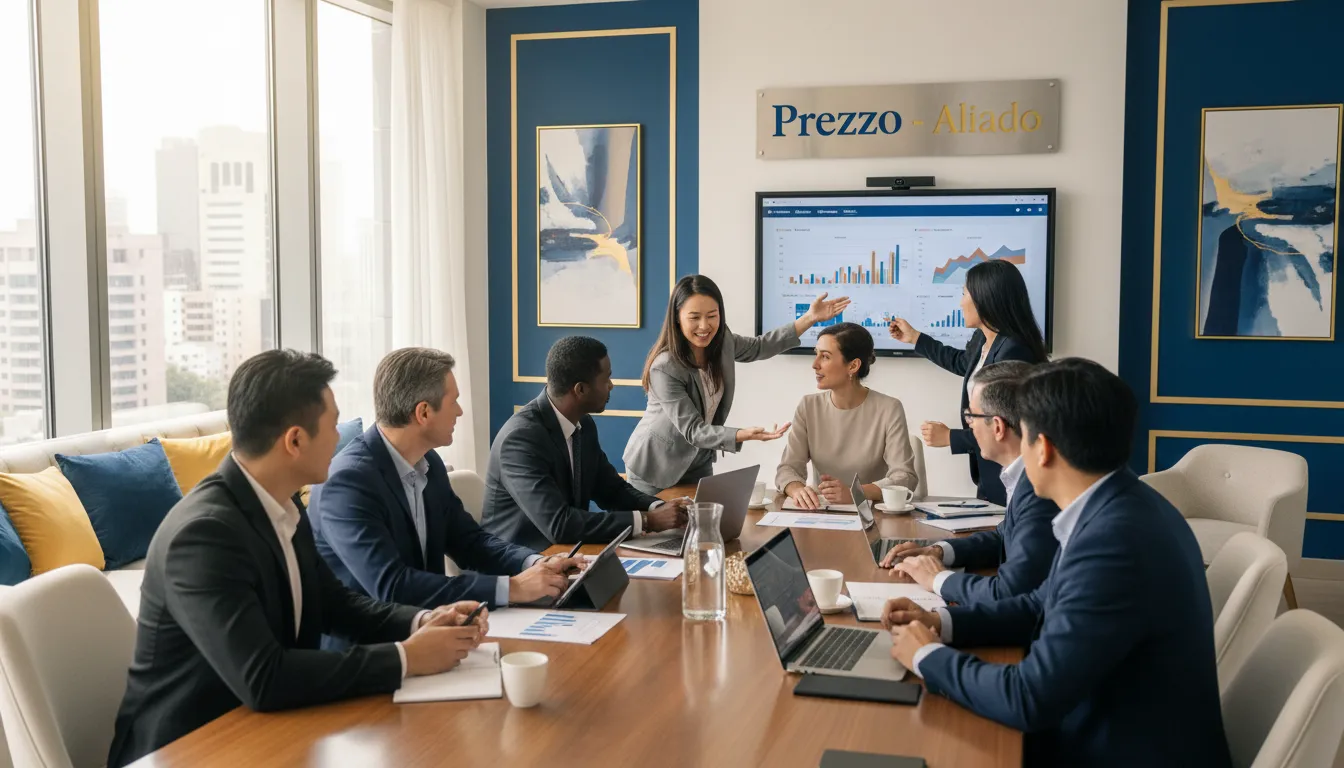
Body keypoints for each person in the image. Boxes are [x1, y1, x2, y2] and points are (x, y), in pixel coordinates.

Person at [108, 351, 487, 767]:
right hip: (188, 748)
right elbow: (264, 677)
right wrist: (407, 657)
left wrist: (422, 621)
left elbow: (334, 603)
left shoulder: (284, 503)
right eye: (332, 425)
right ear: (294, 441)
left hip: (269, 729)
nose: (340, 440)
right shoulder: (203, 535)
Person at [882, 360, 1230, 767]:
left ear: (1043, 448)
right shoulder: (1116, 506)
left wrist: (927, 657)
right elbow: (1037, 605)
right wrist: (940, 623)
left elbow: (1029, 697)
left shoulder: (1114, 543)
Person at [309, 348, 582, 636]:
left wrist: (537, 563)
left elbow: (469, 542)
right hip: (375, 649)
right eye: (454, 401)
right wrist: (512, 588)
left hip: (435, 631)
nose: (460, 411)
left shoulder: (429, 462)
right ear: (424, 412)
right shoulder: (348, 482)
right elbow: (392, 586)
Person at [623, 274, 850, 495]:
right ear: (677, 317)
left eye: (712, 315)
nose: (704, 326)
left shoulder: (722, 342)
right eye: (694, 317)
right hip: (655, 466)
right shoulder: (665, 367)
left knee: (704, 519)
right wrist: (743, 434)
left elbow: (760, 347)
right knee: (658, 522)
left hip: (697, 461)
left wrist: (809, 318)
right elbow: (693, 430)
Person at [483, 336, 689, 550]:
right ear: (580, 389)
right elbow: (560, 525)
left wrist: (661, 507)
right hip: (521, 559)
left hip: (566, 553)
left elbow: (612, 489)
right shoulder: (520, 439)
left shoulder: (583, 424)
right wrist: (648, 521)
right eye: (606, 379)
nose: (611, 386)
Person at [881, 360, 1058, 605]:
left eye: (971, 416)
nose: (969, 425)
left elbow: (1010, 593)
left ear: (998, 427)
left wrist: (937, 579)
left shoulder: (1039, 490)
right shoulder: (1022, 476)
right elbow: (1003, 538)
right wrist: (938, 551)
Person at [888, 259, 1047, 504]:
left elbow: (1010, 427)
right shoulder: (985, 339)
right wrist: (915, 338)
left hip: (1010, 476)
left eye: (964, 294)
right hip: (989, 475)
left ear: (985, 299)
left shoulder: (1014, 351)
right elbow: (962, 363)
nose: (961, 303)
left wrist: (951, 437)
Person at [775, 321, 918, 508]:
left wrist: (856, 493)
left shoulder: (889, 408)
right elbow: (787, 469)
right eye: (816, 354)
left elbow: (905, 477)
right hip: (823, 514)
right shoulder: (808, 406)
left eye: (825, 356)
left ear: (853, 366)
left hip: (872, 515)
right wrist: (797, 490)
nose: (814, 365)